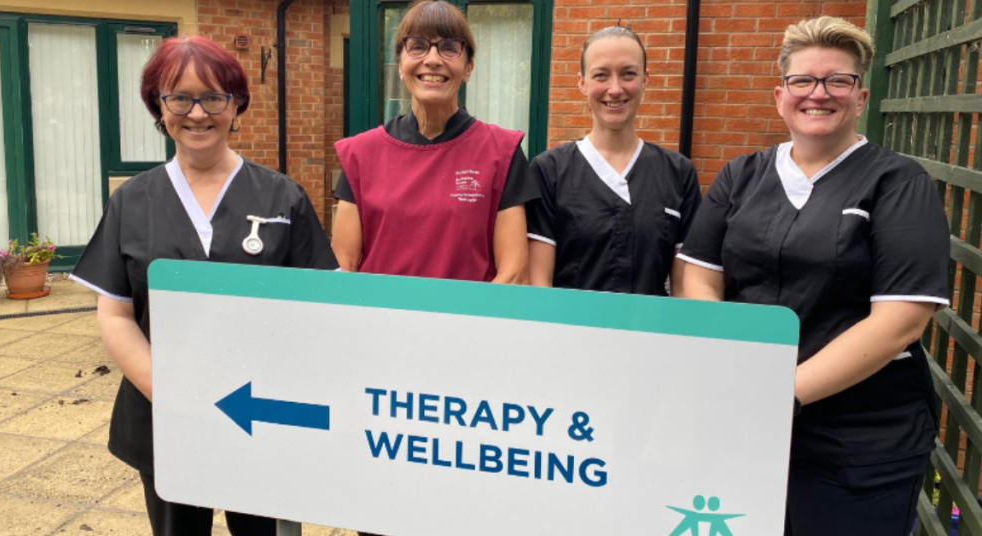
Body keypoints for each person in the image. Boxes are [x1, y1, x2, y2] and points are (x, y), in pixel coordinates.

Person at [678, 17, 949, 536]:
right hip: (746, 430)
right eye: (803, 81)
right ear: (781, 95)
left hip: (859, 443)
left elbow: (900, 321)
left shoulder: (897, 183)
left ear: (860, 95)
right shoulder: (741, 176)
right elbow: (698, 273)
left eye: (837, 81)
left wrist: (780, 392)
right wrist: (727, 359)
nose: (818, 94)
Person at [70, 35, 338, 536]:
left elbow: (318, 310)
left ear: (236, 105)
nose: (197, 113)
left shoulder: (283, 197)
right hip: (164, 415)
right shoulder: (133, 201)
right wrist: (169, 390)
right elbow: (116, 313)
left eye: (214, 97)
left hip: (261, 414)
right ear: (158, 105)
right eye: (180, 97)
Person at [332, 0, 537, 284]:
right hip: (380, 323)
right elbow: (345, 267)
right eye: (417, 46)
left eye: (449, 48)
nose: (432, 59)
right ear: (400, 65)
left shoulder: (502, 153)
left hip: (467, 324)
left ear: (468, 67)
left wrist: (457, 326)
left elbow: (513, 273)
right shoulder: (360, 154)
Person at [526, 26, 700, 295]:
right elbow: (539, 287)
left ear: (645, 78)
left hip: (651, 333)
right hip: (569, 333)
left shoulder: (678, 173)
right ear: (582, 82)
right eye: (601, 75)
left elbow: (685, 289)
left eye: (628, 74)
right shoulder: (549, 171)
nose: (615, 89)